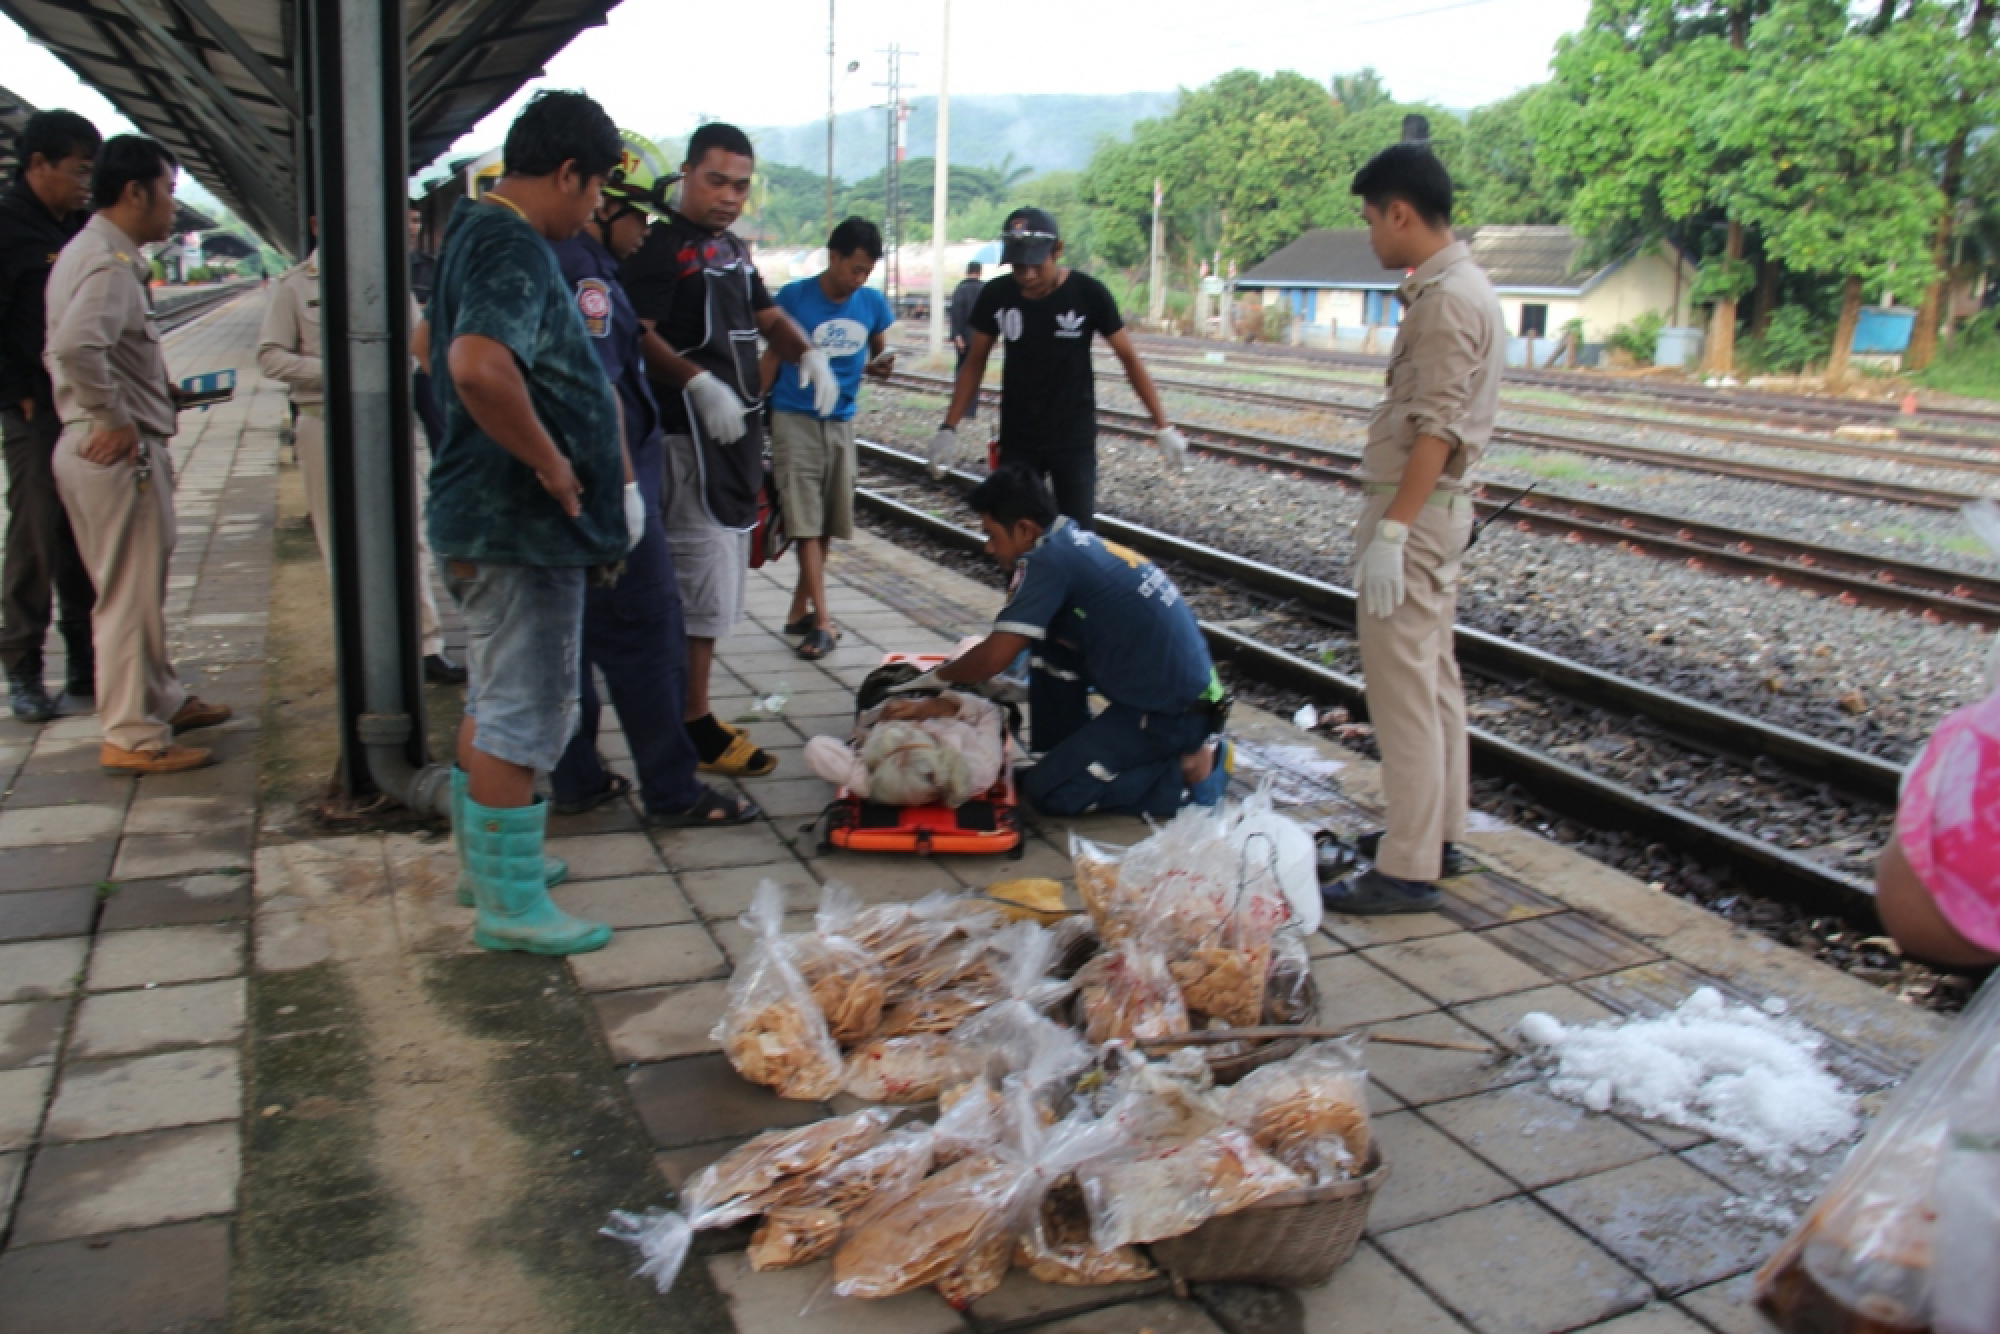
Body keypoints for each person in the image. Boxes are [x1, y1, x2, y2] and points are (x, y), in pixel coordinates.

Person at [426, 90, 634, 956]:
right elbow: (476, 365)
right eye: (593, 194)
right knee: (527, 708)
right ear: (565, 172)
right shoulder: (512, 241)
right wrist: (554, 462)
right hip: (523, 525)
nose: (594, 213)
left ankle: (490, 865)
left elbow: (430, 349)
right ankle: (508, 908)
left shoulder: (471, 230)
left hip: (486, 517)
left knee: (492, 697)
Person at [547, 129, 757, 828]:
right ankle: (670, 788)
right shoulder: (582, 267)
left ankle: (579, 778)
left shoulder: (570, 260)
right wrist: (627, 486)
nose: (640, 225)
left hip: (587, 484)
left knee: (574, 638)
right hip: (609, 484)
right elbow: (601, 381)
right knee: (649, 636)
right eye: (623, 204)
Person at [621, 122, 840, 777]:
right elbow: (637, 335)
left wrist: (810, 355)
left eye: (740, 185)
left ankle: (692, 711)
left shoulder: (734, 253)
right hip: (687, 440)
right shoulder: (665, 251)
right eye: (716, 180)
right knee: (699, 588)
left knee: (714, 583)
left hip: (734, 441)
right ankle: (692, 721)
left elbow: (769, 317)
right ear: (687, 174)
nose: (728, 196)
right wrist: (697, 381)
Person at [1322, 143, 1503, 917]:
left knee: (1402, 693)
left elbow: (1436, 430)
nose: (1369, 235)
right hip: (1433, 513)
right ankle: (1439, 837)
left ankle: (1407, 867)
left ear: (1401, 212)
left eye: (1370, 219)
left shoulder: (1447, 300)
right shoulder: (1462, 287)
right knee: (1433, 684)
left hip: (1416, 513)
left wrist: (1393, 532)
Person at [892, 464, 1230, 818]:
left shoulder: (1045, 561)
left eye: (993, 535)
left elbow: (994, 656)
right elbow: (1016, 649)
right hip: (1169, 693)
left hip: (1170, 713)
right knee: (1045, 644)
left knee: (1049, 794)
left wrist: (935, 679)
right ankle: (1068, 756)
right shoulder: (1067, 542)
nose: (990, 548)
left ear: (1025, 529)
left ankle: (1190, 768)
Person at [45, 134, 231, 773]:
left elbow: (95, 351)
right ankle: (132, 735)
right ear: (134, 192)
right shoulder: (108, 265)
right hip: (114, 455)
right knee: (126, 597)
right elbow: (73, 350)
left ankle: (162, 699)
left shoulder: (94, 253)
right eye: (170, 192)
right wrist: (117, 417)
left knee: (134, 590)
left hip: (99, 448)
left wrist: (154, 394)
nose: (174, 208)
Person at [257, 222, 464, 683]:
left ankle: (426, 646)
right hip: (325, 424)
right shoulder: (295, 287)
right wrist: (341, 369)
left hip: (388, 424)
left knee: (409, 533)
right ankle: (364, 652)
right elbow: (270, 356)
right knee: (341, 541)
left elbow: (417, 345)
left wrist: (382, 370)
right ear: (319, 223)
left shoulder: (389, 279)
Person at [929, 208, 1186, 526]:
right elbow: (975, 361)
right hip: (1018, 434)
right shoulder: (998, 294)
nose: (1028, 276)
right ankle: (1017, 579)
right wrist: (949, 427)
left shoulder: (1088, 294)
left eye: (1036, 265)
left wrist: (1162, 425)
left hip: (1072, 436)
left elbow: (1129, 359)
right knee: (1015, 531)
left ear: (1058, 251)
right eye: (1018, 266)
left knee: (1076, 533)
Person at [0, 109, 101, 723]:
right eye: (77, 172)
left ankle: (87, 661)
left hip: (80, 404)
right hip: (33, 407)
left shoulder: (81, 227)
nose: (85, 184)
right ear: (37, 165)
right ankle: (22, 665)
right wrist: (16, 392)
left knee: (85, 534)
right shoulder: (6, 228)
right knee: (36, 533)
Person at [763, 215, 895, 660]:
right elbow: (771, 355)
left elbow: (877, 352)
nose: (859, 280)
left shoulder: (871, 303)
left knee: (828, 522)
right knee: (804, 521)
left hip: (841, 421)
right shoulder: (794, 298)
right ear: (833, 256)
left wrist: (880, 364)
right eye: (854, 268)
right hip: (794, 417)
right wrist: (748, 409)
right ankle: (823, 622)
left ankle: (800, 608)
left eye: (867, 272)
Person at [946, 259, 983, 421]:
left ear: (967, 272)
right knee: (976, 372)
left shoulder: (961, 289)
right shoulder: (985, 289)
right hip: (981, 340)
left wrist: (957, 335)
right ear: (979, 272)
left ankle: (960, 408)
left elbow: (956, 313)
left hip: (964, 339)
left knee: (962, 372)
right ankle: (971, 410)